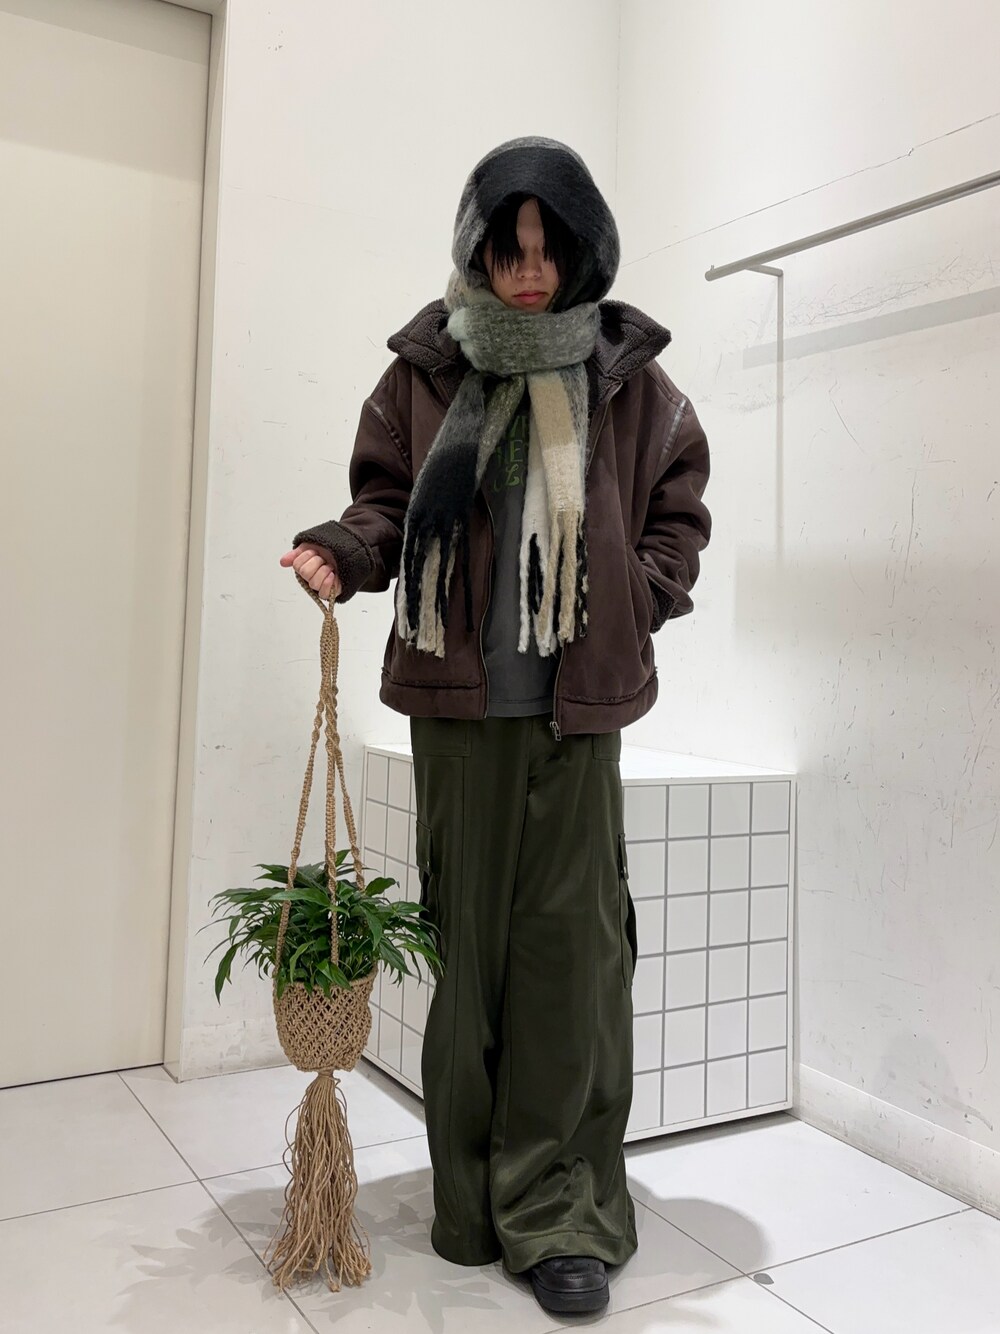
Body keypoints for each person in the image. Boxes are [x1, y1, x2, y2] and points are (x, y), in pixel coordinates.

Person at [279, 136, 711, 1316]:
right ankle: (471, 1201)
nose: (527, 272)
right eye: (507, 249)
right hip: (458, 712)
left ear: (584, 254)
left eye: (548, 249)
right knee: (465, 965)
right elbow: (385, 499)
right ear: (477, 251)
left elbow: (678, 510)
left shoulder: (630, 378)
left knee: (571, 965)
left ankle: (561, 1212)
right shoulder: (424, 370)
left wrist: (636, 594)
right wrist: (344, 549)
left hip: (579, 717)